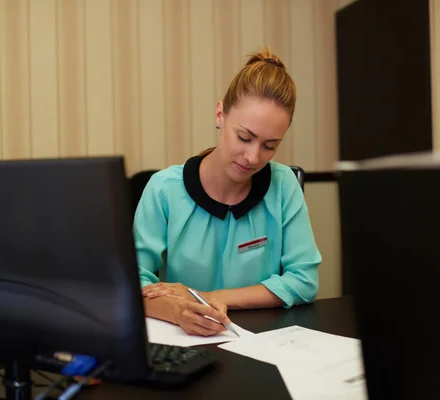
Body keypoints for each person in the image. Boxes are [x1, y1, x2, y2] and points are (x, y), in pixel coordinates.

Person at [133, 46, 322, 337]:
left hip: (261, 343)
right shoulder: (163, 190)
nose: (253, 157)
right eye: (244, 137)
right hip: (185, 342)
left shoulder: (283, 187)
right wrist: (180, 311)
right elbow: (135, 284)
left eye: (270, 146)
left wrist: (207, 297)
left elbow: (304, 281)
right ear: (220, 115)